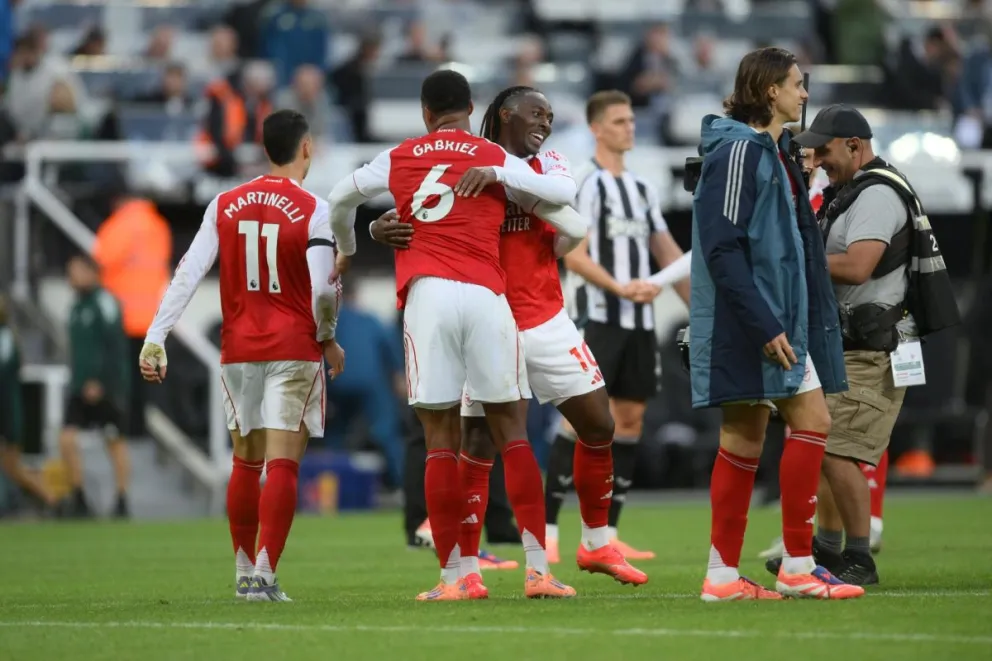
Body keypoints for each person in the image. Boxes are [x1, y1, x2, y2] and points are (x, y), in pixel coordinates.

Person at [326, 69, 588, 601]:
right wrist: (497, 179)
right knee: (513, 434)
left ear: (424, 113)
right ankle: (539, 573)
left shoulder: (398, 157)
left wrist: (354, 245)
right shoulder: (491, 157)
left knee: (439, 441)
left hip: (429, 299)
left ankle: (456, 577)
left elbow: (337, 198)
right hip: (491, 299)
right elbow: (568, 204)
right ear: (471, 110)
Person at [372, 85, 647, 587]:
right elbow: (422, 214)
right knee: (478, 443)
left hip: (545, 317)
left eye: (549, 113)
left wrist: (524, 197)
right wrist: (381, 227)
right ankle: (471, 569)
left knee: (599, 424)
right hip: (491, 318)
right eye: (535, 113)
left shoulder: (545, 163)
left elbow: (571, 220)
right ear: (504, 115)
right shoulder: (463, 164)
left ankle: (595, 544)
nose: (544, 122)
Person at [139, 109, 345, 602]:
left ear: (262, 148)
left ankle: (242, 570)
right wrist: (329, 337)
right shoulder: (315, 208)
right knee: (284, 463)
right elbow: (322, 288)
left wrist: (156, 335)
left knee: (245, 462)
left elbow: (189, 270)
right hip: (293, 347)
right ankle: (265, 575)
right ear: (307, 147)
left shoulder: (224, 203)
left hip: (238, 350)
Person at [689, 47, 864, 601]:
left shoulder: (768, 151)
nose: (804, 94)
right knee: (812, 419)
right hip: (759, 320)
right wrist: (765, 321)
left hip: (770, 315)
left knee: (743, 437)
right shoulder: (739, 152)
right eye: (796, 84)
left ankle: (722, 577)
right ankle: (797, 562)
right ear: (769, 91)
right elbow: (722, 245)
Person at [763, 104, 951, 585]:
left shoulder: (877, 194)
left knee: (838, 451)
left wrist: (794, 259)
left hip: (875, 345)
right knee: (823, 443)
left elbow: (858, 265)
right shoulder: (849, 190)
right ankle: (825, 549)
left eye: (824, 149)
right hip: (852, 340)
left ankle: (859, 557)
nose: (819, 158)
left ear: (855, 145)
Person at [551, 89, 691, 562]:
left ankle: (607, 535)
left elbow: (667, 252)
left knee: (630, 419)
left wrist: (699, 310)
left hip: (639, 320)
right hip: (599, 315)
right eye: (618, 121)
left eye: (632, 120)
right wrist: (617, 287)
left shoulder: (642, 187)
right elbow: (573, 253)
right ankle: (549, 530)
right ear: (596, 128)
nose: (629, 127)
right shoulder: (587, 184)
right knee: (582, 417)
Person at [59, 255, 131, 519]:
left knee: (114, 440)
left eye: (76, 271)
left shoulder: (105, 302)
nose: (71, 277)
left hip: (106, 387)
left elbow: (115, 347)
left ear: (92, 272)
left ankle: (121, 499)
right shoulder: (77, 306)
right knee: (66, 439)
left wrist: (102, 381)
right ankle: (79, 497)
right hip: (79, 386)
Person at [0, 295, 60, 514]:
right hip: (8, 409)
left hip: (7, 411)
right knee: (12, 466)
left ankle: (51, 497)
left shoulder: (5, 337)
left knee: (13, 466)